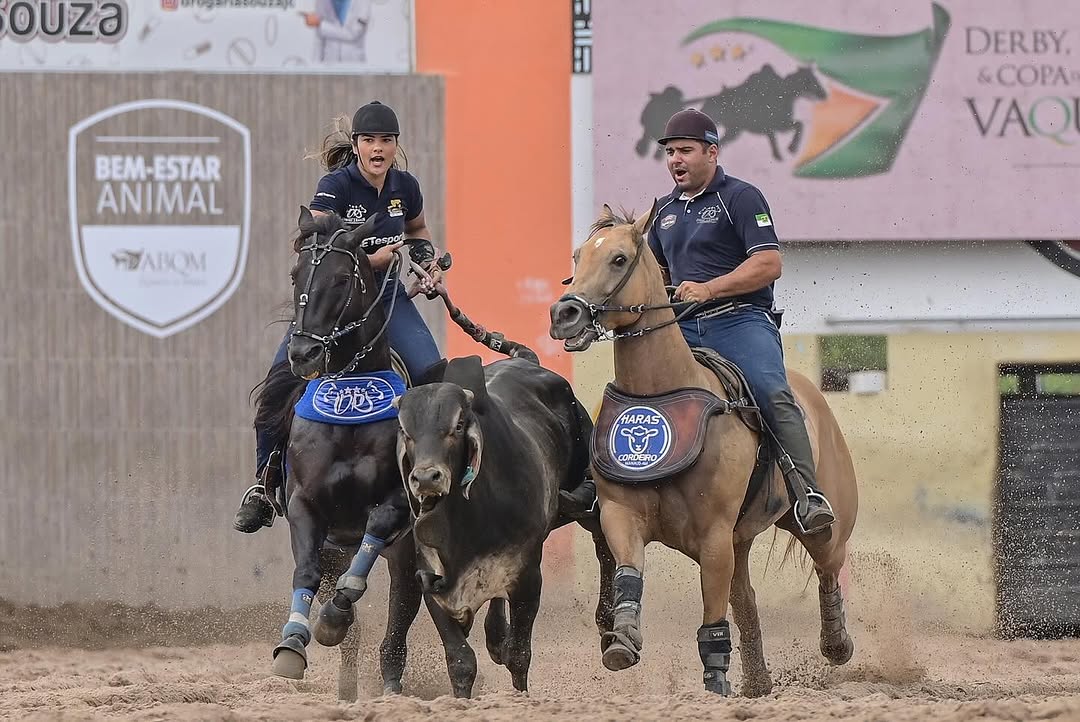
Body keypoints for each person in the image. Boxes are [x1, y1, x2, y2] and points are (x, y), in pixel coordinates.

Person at [233, 100, 444, 534]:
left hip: (385, 302)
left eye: (386, 140)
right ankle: (264, 483)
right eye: (369, 140)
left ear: (396, 145)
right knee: (279, 384)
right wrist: (371, 257)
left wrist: (427, 259)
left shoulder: (406, 187)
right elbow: (315, 241)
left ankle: (431, 482)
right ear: (357, 145)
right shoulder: (336, 184)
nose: (378, 148)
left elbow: (417, 229)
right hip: (331, 303)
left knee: (429, 373)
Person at [646, 108, 835, 534]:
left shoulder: (741, 198)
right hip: (682, 327)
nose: (676, 159)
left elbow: (769, 263)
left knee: (773, 391)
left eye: (686, 150)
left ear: (711, 152)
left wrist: (709, 289)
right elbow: (655, 275)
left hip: (740, 322)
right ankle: (603, 485)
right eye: (670, 152)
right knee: (628, 389)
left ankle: (808, 493)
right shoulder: (663, 212)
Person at [303, 0, 372, 64]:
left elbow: (353, 34)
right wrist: (315, 67)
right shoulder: (322, 2)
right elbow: (319, 39)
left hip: (354, 63)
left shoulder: (363, 2)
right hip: (329, 64)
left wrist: (320, 24)